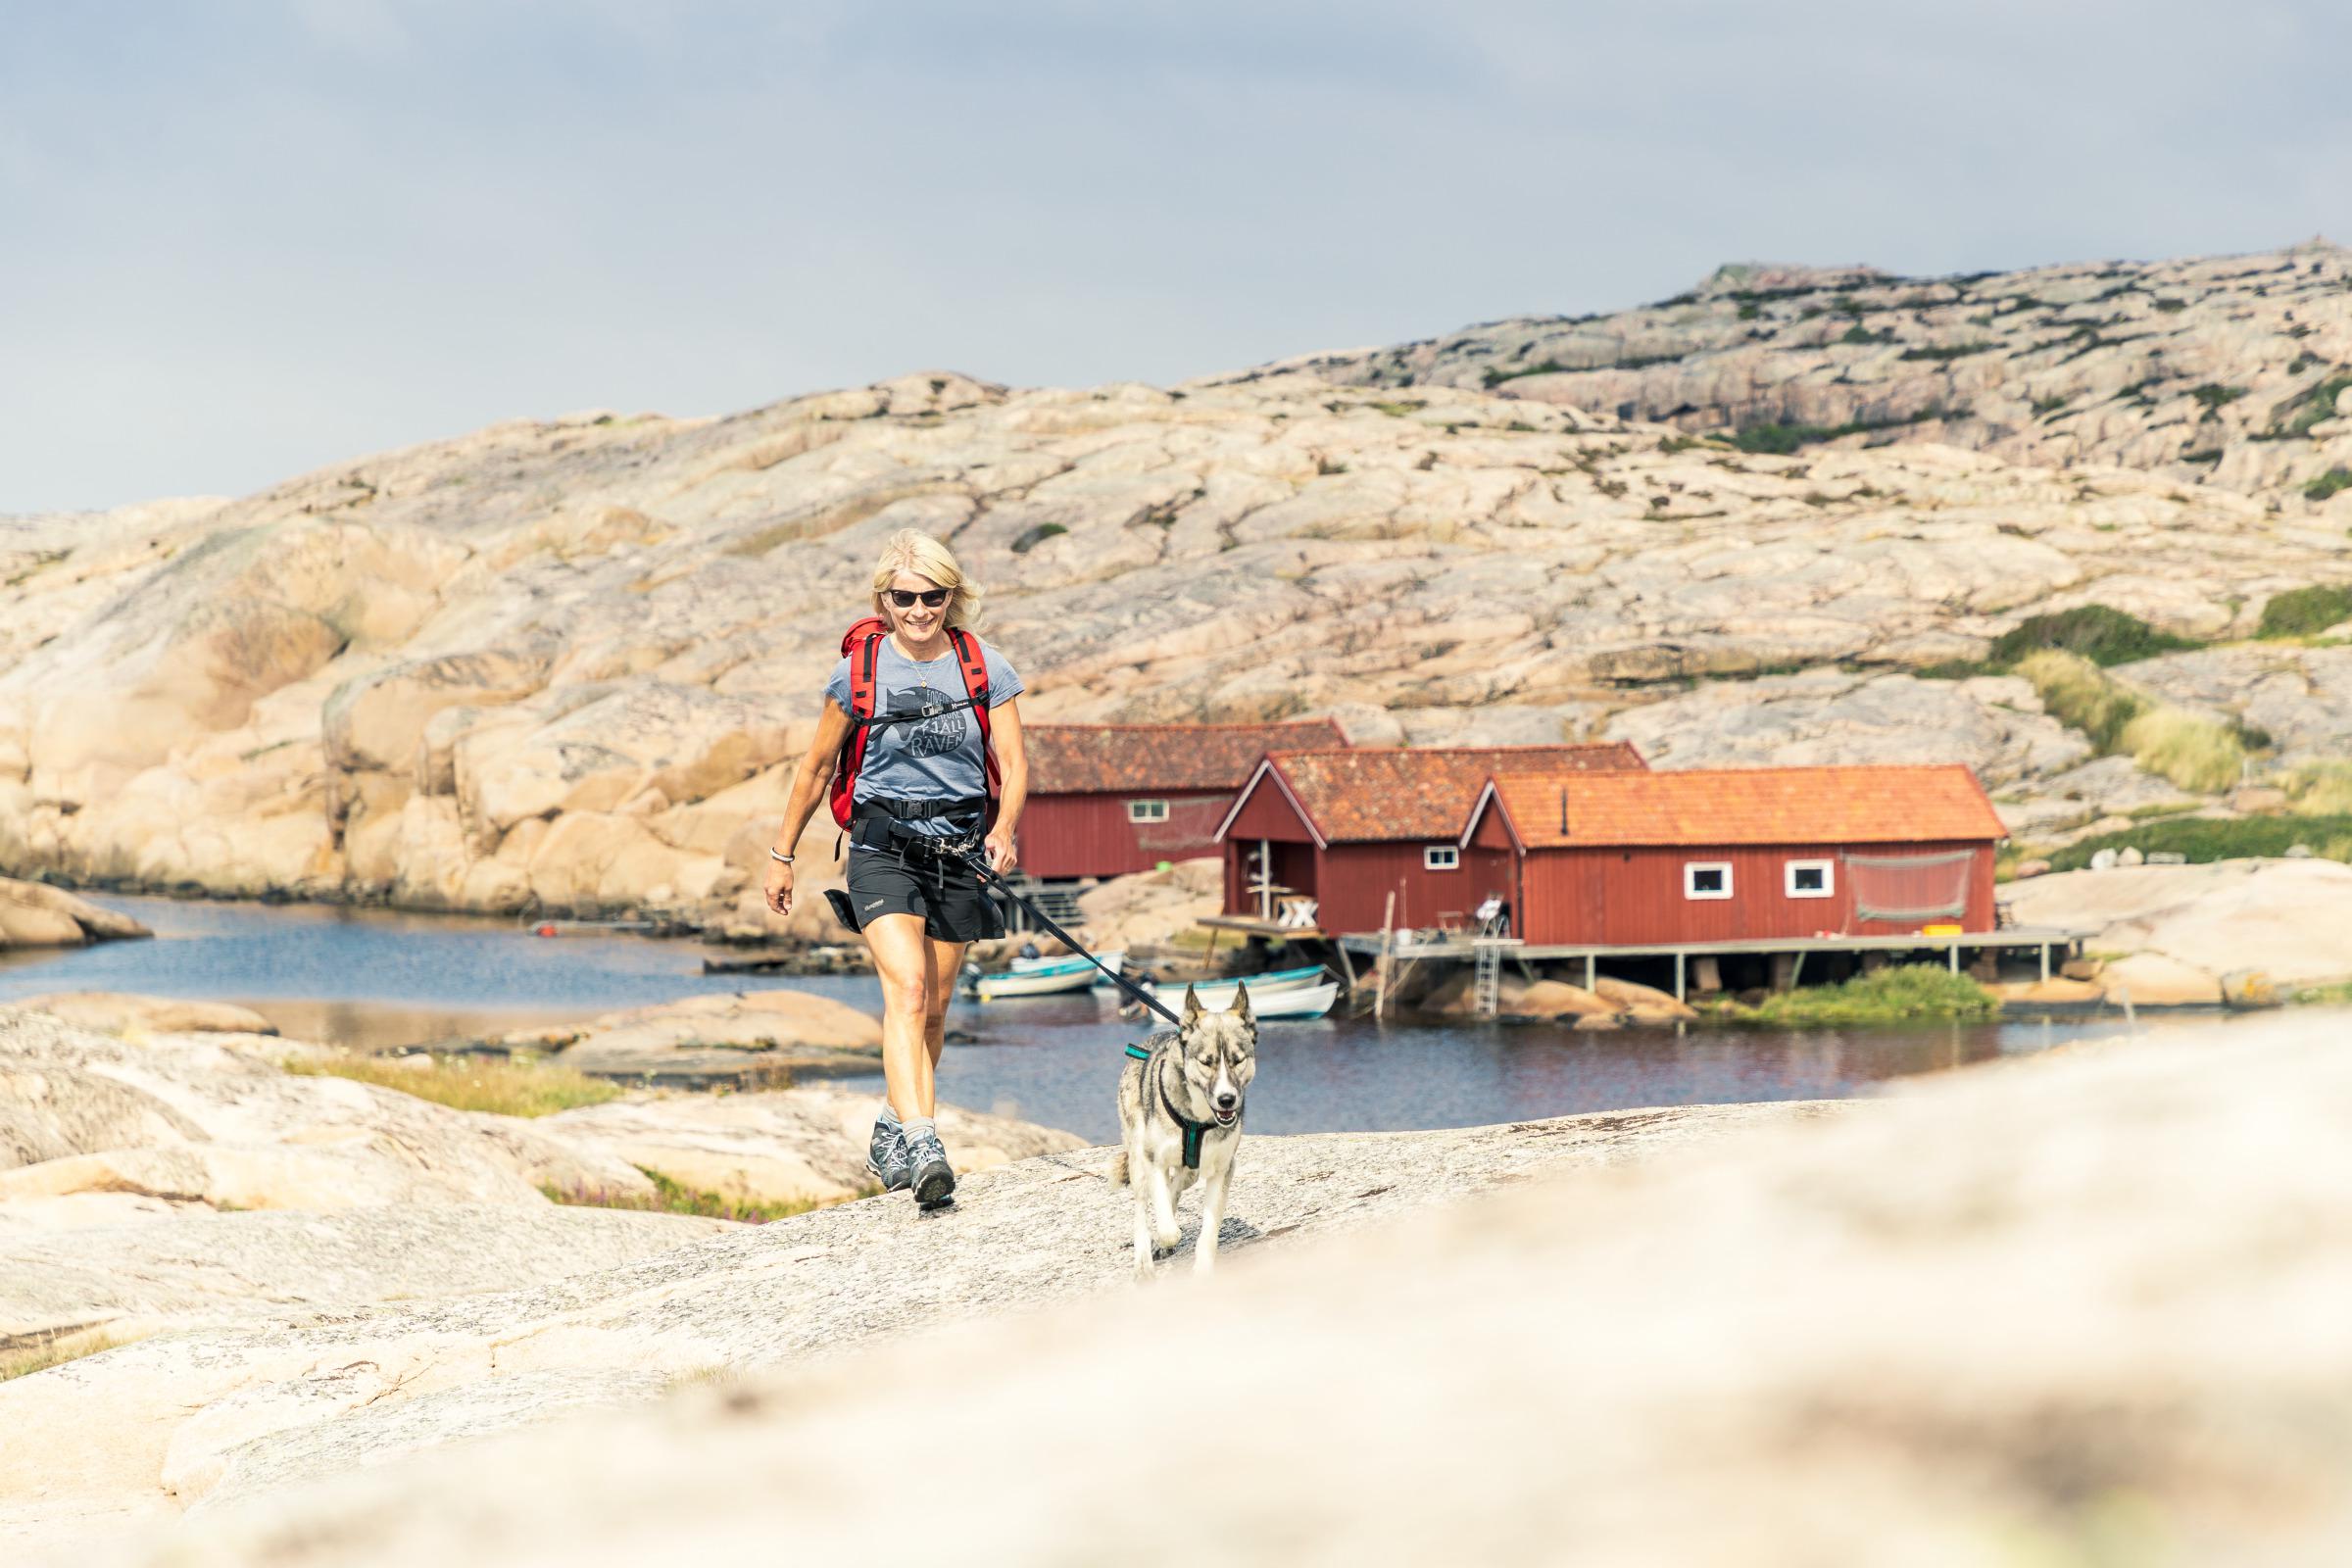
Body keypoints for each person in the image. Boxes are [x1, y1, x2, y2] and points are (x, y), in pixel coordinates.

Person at [764, 530, 1027, 1210]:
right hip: (882, 847)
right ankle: (923, 1142)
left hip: (958, 850)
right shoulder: (858, 673)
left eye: (932, 596)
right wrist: (782, 854)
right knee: (907, 992)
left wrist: (1003, 830)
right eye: (904, 597)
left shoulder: (983, 666)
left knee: (935, 1011)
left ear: (951, 596)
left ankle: (891, 1124)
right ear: (884, 598)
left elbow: (1017, 763)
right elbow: (816, 768)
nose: (918, 610)